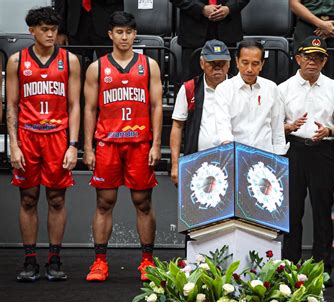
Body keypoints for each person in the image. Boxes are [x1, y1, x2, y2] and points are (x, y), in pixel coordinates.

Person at [83, 11, 163, 282]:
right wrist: (89, 147)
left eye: (129, 32)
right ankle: (99, 262)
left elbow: (156, 107)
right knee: (104, 202)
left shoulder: (149, 65)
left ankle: (147, 261)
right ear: (110, 34)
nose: (124, 37)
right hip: (107, 143)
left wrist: (156, 144)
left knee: (143, 202)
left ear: (135, 34)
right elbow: (89, 109)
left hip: (139, 143)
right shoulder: (97, 67)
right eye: (119, 32)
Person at [6, 6, 81, 282]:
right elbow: (12, 106)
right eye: (45, 29)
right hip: (27, 136)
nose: (51, 34)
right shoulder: (17, 61)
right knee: (27, 198)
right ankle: (29, 261)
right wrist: (13, 144)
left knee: (57, 198)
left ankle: (54, 259)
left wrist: (73, 144)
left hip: (58, 137)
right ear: (32, 31)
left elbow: (74, 105)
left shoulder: (69, 61)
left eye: (54, 29)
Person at [279, 35, 334, 287]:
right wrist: (288, 127)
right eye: (308, 57)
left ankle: (322, 267)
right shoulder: (283, 88)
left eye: (318, 57)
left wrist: (329, 131)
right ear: (298, 58)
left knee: (322, 211)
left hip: (322, 151)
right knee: (292, 211)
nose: (313, 62)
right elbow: (274, 125)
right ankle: (289, 267)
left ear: (325, 61)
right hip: (294, 150)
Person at [170, 39, 231, 185]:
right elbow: (177, 127)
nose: (217, 68)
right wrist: (175, 164)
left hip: (230, 163)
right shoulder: (189, 89)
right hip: (196, 162)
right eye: (212, 63)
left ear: (229, 64)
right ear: (202, 63)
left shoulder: (237, 88)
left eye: (221, 63)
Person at [214, 39, 287, 155]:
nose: (249, 69)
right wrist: (230, 151)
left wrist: (278, 156)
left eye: (255, 64)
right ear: (237, 62)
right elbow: (223, 127)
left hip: (265, 157)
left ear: (262, 64)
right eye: (245, 62)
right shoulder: (224, 89)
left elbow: (277, 128)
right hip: (235, 155)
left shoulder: (271, 88)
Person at [290, 0, 334, 98]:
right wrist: (321, 24)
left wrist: (333, 26)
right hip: (307, 22)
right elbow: (294, 4)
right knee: (303, 68)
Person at [171, 0, 249, 81]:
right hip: (193, 31)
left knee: (229, 84)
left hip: (227, 29)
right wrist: (200, 8)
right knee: (193, 84)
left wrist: (229, 8)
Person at [54, 0, 124, 60]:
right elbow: (60, 3)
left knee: (109, 69)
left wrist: (118, 27)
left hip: (106, 23)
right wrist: (60, 30)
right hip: (75, 25)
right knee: (78, 68)